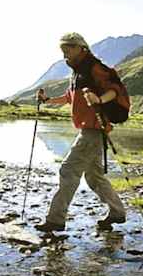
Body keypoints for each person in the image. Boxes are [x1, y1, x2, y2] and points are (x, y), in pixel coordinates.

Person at [35, 32, 127, 232]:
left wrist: (99, 100)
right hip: (90, 129)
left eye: (68, 49)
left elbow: (115, 90)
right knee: (94, 176)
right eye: (62, 50)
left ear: (81, 48)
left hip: (93, 129)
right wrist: (48, 100)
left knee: (68, 170)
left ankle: (55, 220)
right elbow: (69, 97)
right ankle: (117, 212)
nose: (64, 54)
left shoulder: (94, 68)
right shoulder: (77, 73)